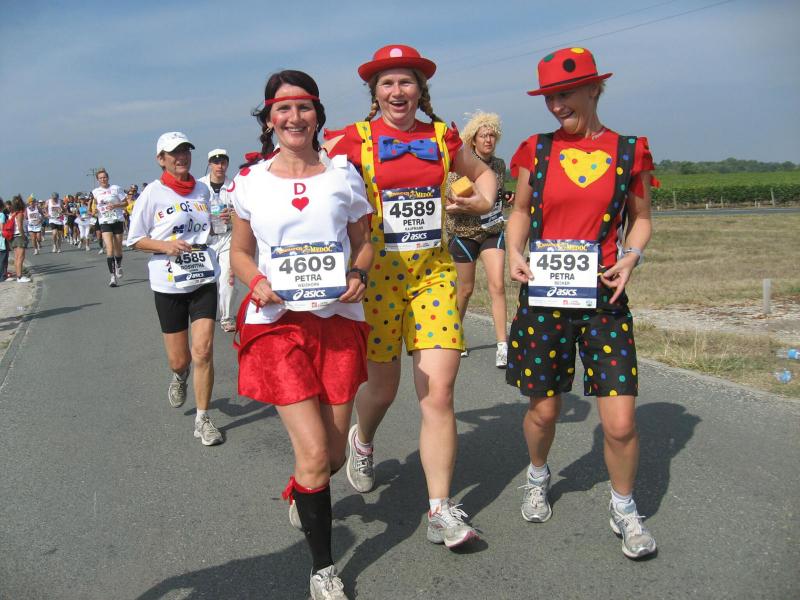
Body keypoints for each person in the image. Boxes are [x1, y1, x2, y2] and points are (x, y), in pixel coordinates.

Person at [324, 44, 497, 549]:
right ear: (374, 92)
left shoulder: (442, 137)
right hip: (375, 279)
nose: (397, 91)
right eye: (387, 83)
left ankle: (439, 509)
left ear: (421, 90)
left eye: (406, 82)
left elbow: (484, 174)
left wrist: (482, 199)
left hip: (433, 275)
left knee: (439, 393)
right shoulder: (351, 140)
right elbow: (307, 179)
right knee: (382, 389)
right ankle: (362, 440)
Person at [505, 47, 657, 559]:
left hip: (603, 299)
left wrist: (631, 256)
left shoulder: (630, 151)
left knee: (620, 422)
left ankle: (624, 507)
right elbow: (520, 210)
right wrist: (514, 251)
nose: (556, 105)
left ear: (595, 88)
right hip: (544, 298)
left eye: (566, 93)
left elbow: (641, 218)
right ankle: (537, 475)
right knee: (544, 412)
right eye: (550, 97)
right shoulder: (536, 150)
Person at [230, 70, 373, 600]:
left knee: (331, 458)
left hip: (337, 322)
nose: (294, 118)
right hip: (278, 326)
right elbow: (240, 252)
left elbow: (364, 242)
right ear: (269, 118)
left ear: (318, 114)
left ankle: (301, 490)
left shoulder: (344, 174)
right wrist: (257, 282)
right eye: (283, 109)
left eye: (304, 107)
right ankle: (323, 568)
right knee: (313, 453)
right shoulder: (250, 181)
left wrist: (358, 273)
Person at [126, 131, 224, 447]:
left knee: (203, 350)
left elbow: (211, 228)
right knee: (180, 360)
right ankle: (180, 375)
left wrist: (222, 222)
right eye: (174, 153)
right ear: (161, 159)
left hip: (203, 277)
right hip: (168, 283)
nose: (181, 157)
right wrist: (165, 246)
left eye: (185, 151)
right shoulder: (152, 194)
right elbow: (135, 239)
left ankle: (203, 419)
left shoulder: (202, 190)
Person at [444, 111, 509, 367]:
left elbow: (498, 196)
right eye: (483, 136)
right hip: (464, 234)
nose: (488, 140)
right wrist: (471, 206)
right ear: (473, 139)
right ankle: (455, 334)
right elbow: (449, 205)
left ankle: (502, 345)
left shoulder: (499, 165)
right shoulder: (460, 166)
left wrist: (504, 199)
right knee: (466, 289)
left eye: (492, 135)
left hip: (492, 231)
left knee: (498, 285)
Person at [198, 149, 237, 333]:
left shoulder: (234, 186)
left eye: (223, 162)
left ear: (227, 164)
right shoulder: (199, 186)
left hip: (227, 236)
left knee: (227, 277)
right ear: (210, 164)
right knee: (206, 280)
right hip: (205, 239)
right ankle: (204, 312)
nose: (220, 166)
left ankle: (227, 317)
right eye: (216, 162)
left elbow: (243, 212)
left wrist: (232, 216)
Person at [92, 168, 127, 287]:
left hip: (117, 220)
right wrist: (96, 210)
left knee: (118, 249)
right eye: (100, 178)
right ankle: (112, 277)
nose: (103, 179)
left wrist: (115, 205)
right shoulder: (95, 192)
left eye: (104, 177)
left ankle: (118, 265)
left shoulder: (116, 188)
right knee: (109, 249)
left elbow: (126, 203)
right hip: (104, 221)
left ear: (108, 178)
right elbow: (96, 205)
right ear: (98, 180)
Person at [9, 195, 31, 283]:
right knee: (20, 257)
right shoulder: (20, 214)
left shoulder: (12, 214)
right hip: (19, 237)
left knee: (17, 257)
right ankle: (20, 277)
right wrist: (24, 236)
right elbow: (20, 226)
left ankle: (19, 276)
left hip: (13, 237)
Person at [0, 199, 8, 281]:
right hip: (1, 239)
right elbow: (2, 227)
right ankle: (2, 276)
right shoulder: (1, 214)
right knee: (2, 258)